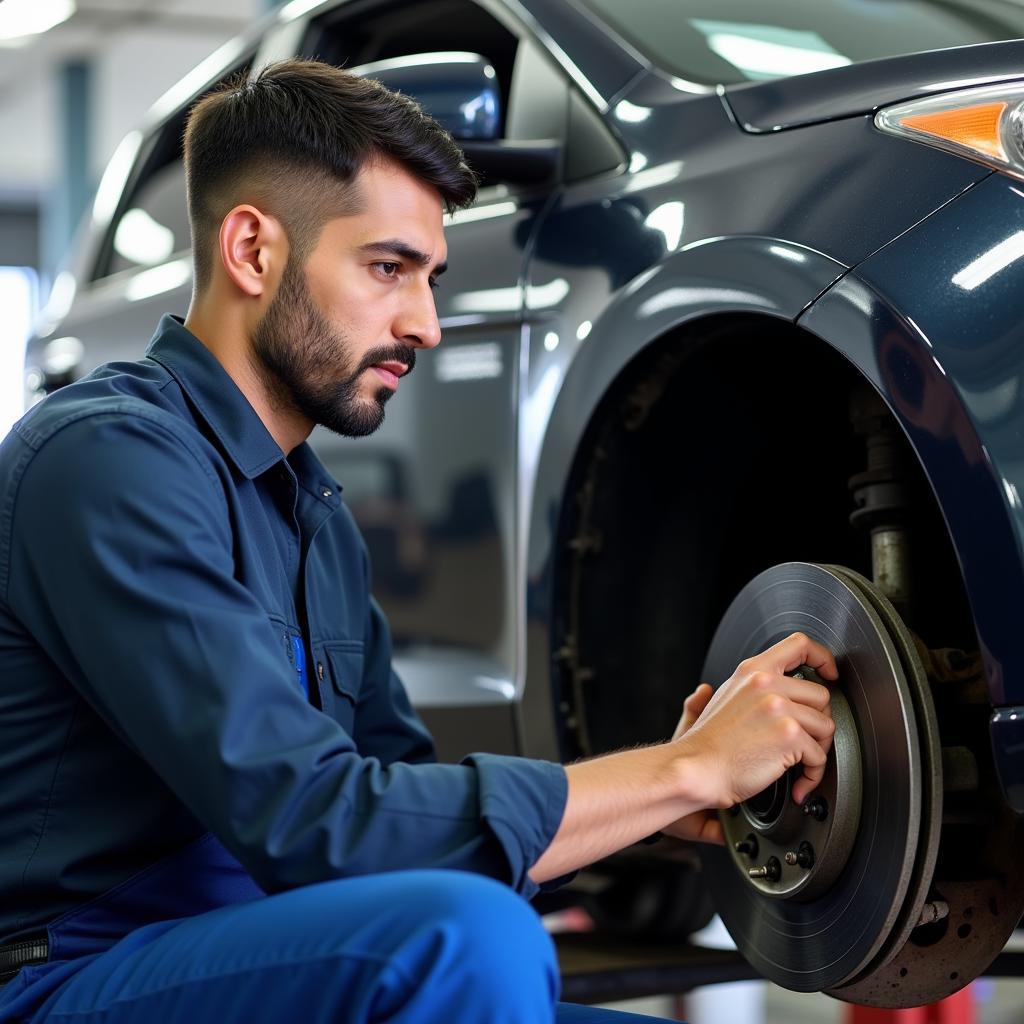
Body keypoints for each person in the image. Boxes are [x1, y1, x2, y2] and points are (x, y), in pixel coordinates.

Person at [0, 60, 836, 1023]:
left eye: (431, 279)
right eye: (388, 268)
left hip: (279, 958)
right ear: (252, 250)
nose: (426, 325)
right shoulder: (104, 461)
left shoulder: (313, 517)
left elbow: (400, 809)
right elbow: (316, 825)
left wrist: (660, 804)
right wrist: (680, 768)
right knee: (467, 939)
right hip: (72, 978)